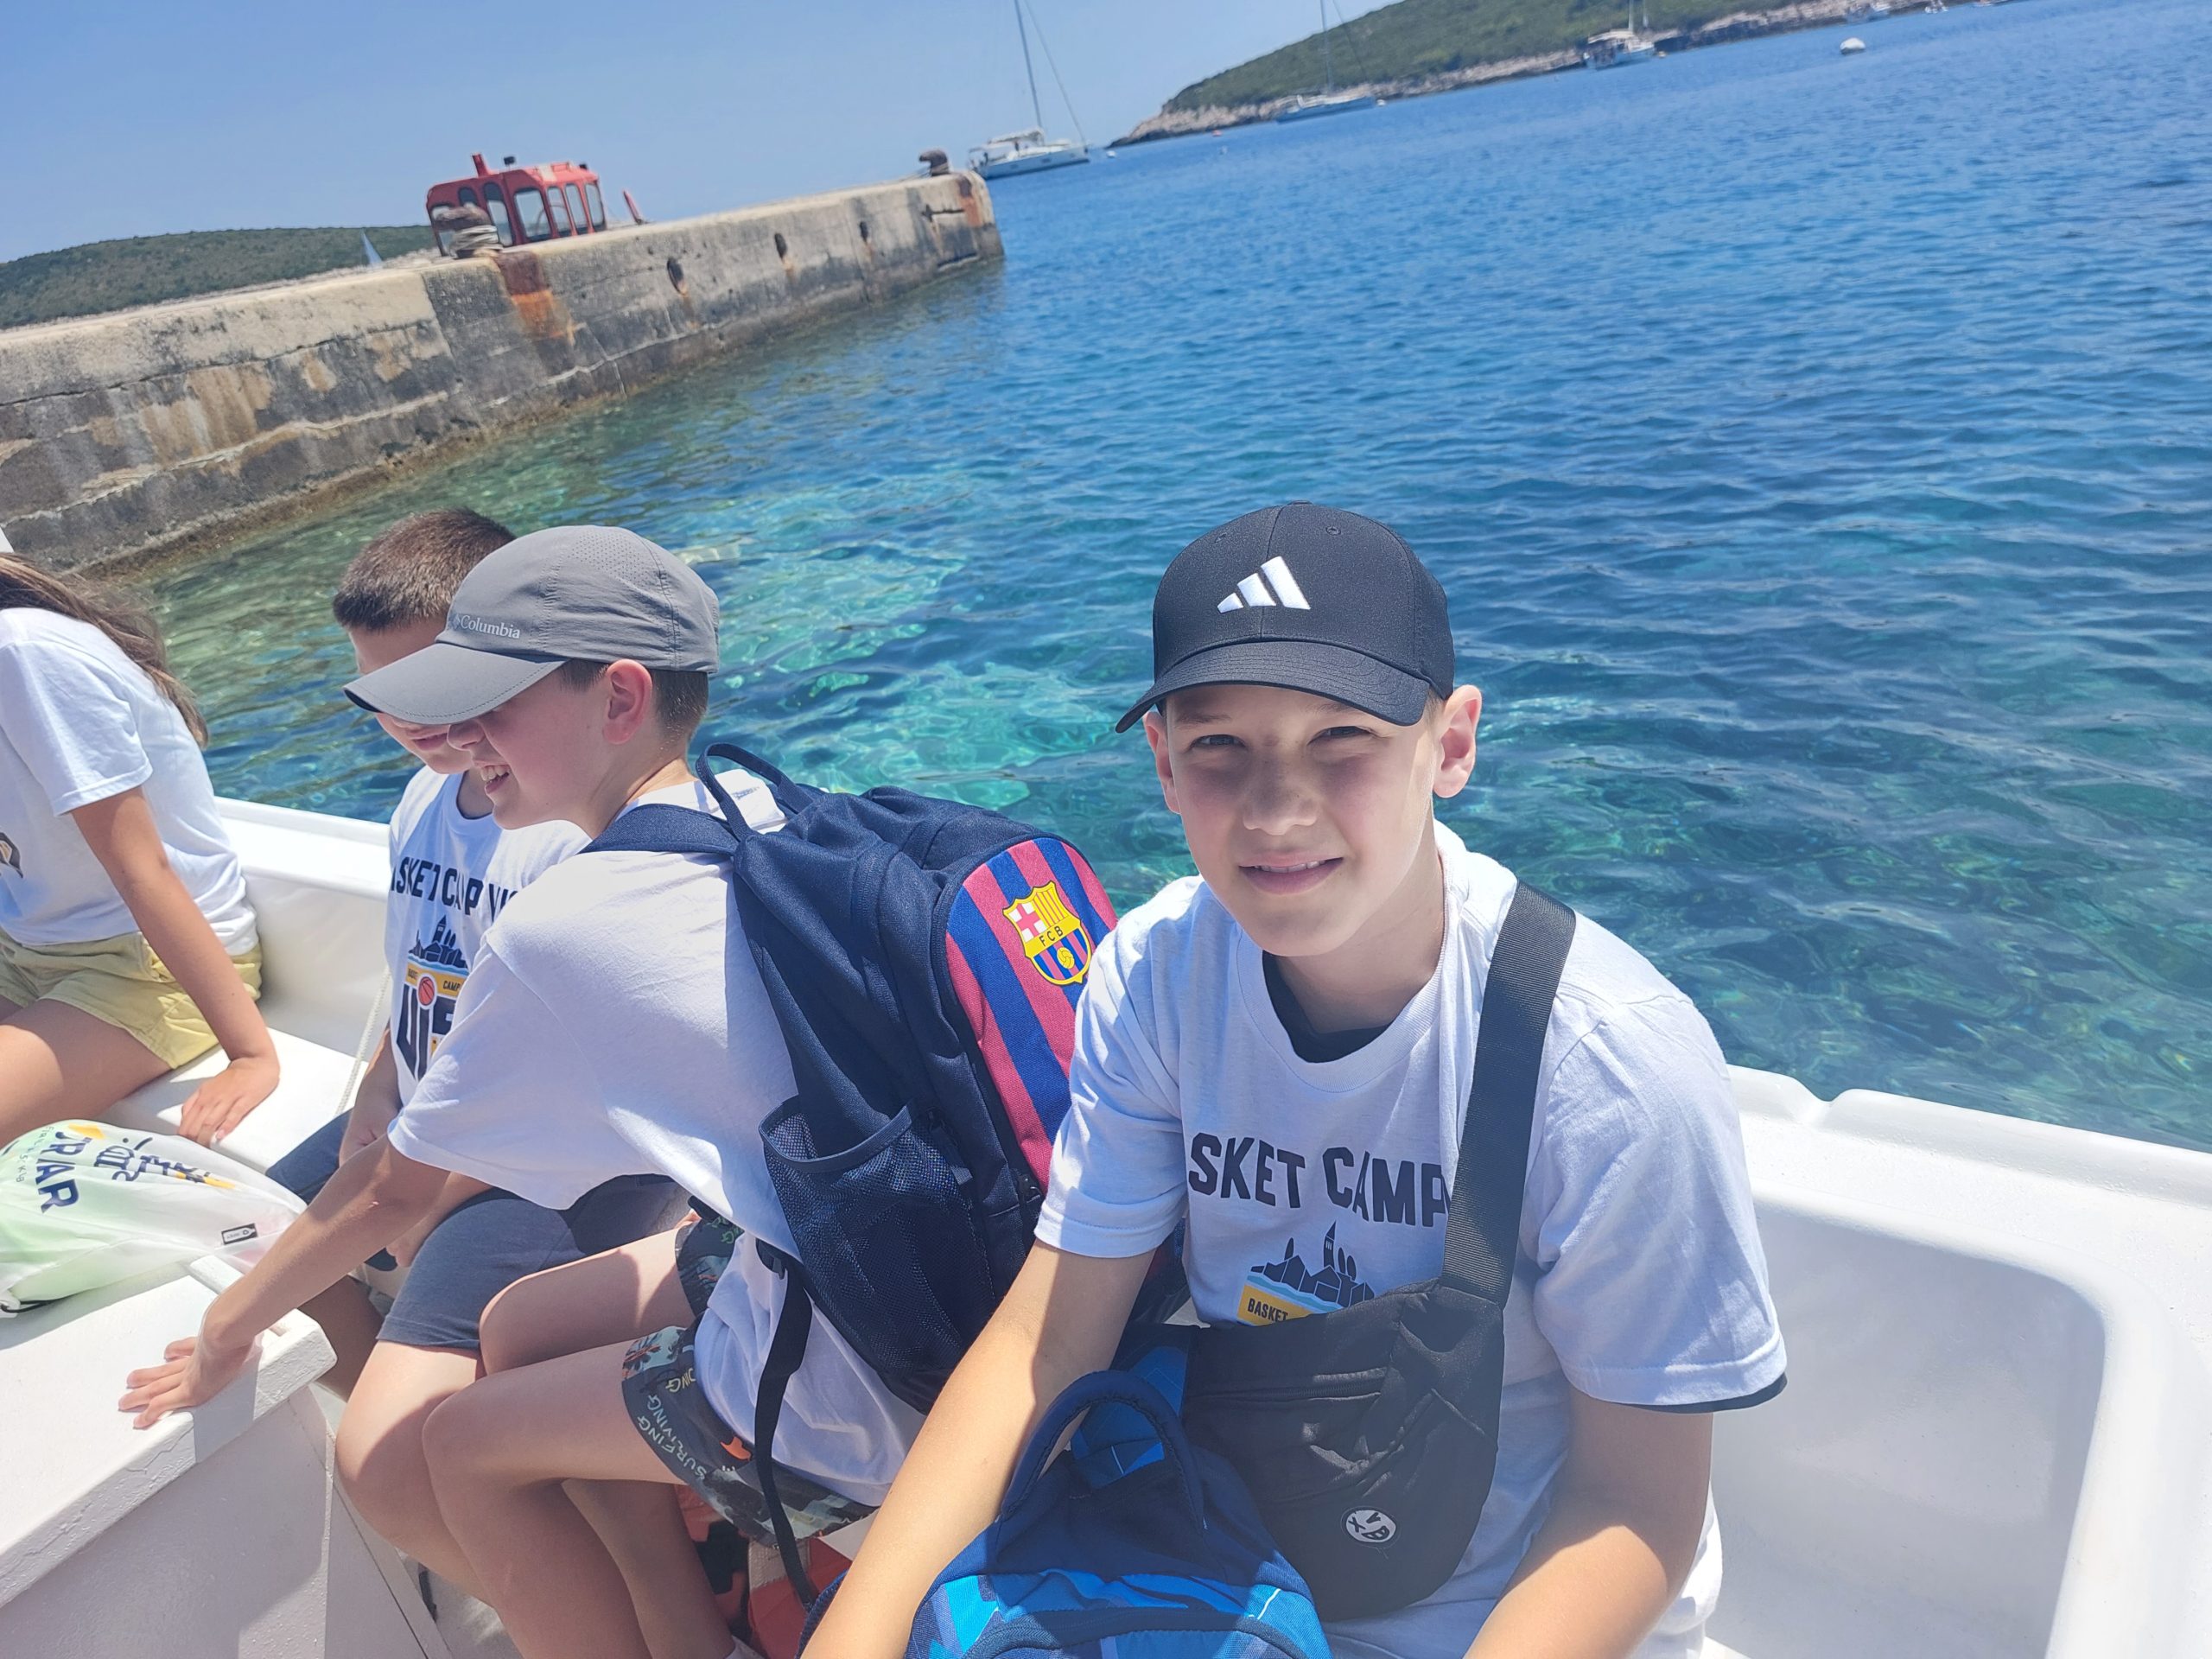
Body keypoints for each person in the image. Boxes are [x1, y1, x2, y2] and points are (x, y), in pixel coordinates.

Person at [811, 504, 1787, 1659]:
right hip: (1244, 1578)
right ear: (1163, 762)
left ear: (1451, 745)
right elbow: (1050, 1342)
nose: (1277, 811)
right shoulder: (1157, 974)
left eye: (1342, 739)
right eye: (1221, 747)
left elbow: (1636, 1506)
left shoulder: (1604, 1061)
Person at [124, 526, 913, 1659]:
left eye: (490, 706)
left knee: (449, 1447)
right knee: (524, 1326)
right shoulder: (772, 816)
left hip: (849, 1355)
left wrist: (221, 1332)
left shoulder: (566, 919)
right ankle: (686, 1620)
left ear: (620, 698)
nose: (462, 739)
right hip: (883, 1256)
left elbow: (396, 1192)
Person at [244, 509, 676, 1596]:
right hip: (433, 1121)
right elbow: (413, 978)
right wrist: (373, 1094)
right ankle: (491, 1529)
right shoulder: (422, 802)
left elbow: (556, 1080)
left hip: (539, 1161)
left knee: (387, 1451)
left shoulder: (559, 826)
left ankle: (509, 1537)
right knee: (248, 1226)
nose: (410, 720)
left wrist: (418, 1200)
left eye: (431, 684)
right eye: (379, 694)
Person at [0, 552, 274, 1147]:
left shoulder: (24, 653)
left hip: (143, 968)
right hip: (26, 949)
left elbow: (142, 869)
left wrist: (250, 1055)